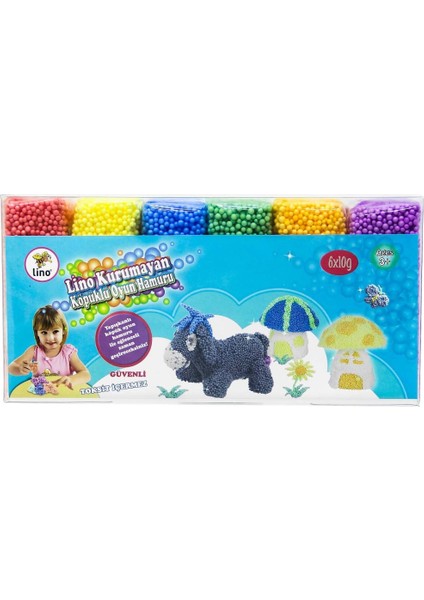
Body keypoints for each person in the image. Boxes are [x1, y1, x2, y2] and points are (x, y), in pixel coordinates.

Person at [8, 305, 90, 389]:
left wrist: (71, 379)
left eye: (55, 331)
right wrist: (20, 369)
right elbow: (11, 367)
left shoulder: (68, 352)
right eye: (44, 332)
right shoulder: (34, 351)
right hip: (39, 394)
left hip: (64, 394)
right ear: (37, 333)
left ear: (63, 331)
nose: (50, 338)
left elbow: (86, 374)